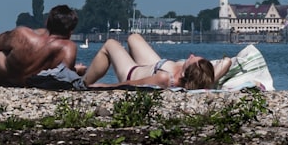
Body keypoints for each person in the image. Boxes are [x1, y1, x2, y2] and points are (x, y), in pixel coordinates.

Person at [0, 5, 86, 90]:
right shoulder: (69, 48)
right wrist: (77, 70)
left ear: (47, 22)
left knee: (4, 50)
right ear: (71, 31)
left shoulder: (23, 34)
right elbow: (63, 75)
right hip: (24, 80)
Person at [81, 32, 231, 90]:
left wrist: (102, 86)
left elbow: (129, 85)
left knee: (110, 44)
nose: (191, 56)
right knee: (134, 38)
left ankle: (83, 82)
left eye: (191, 59)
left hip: (132, 73)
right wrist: (208, 77)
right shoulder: (201, 78)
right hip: (154, 65)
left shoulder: (165, 78)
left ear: (185, 72)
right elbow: (227, 62)